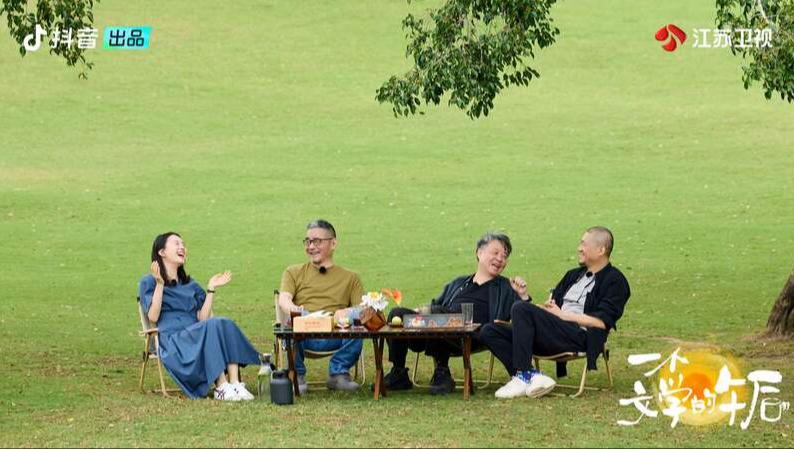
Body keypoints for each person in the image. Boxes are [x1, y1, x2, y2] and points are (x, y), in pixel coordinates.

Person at [480, 226, 631, 399]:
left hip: (579, 336)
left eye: (584, 244)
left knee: (521, 308)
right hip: (553, 332)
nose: (579, 248)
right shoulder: (573, 275)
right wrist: (525, 297)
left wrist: (563, 315)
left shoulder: (615, 281)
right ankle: (531, 376)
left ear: (601, 250)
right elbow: (549, 309)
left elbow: (602, 322)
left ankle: (523, 375)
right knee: (489, 330)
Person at [382, 232, 532, 395]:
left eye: (504, 256)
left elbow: (524, 317)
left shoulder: (506, 287)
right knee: (397, 314)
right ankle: (398, 373)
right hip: (436, 330)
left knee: (438, 316)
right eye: (495, 253)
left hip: (474, 334)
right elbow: (435, 305)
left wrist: (522, 295)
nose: (500, 259)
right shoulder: (459, 283)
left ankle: (442, 371)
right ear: (479, 253)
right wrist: (421, 312)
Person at [138, 232, 261, 401]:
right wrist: (160, 284)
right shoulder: (148, 282)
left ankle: (235, 383)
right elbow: (153, 317)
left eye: (183, 244)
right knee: (212, 325)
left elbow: (203, 318)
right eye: (176, 243)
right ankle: (221, 386)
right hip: (175, 342)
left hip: (196, 335)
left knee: (224, 322)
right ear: (162, 252)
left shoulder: (191, 284)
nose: (182, 247)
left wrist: (211, 289)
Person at [278, 219, 364, 394]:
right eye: (308, 241)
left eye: (317, 241)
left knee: (358, 321)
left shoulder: (351, 278)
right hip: (304, 330)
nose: (311, 246)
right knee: (292, 320)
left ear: (333, 243)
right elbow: (284, 299)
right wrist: (296, 311)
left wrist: (346, 312)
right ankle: (297, 375)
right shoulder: (293, 272)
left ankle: (338, 373)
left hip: (337, 331)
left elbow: (362, 309)